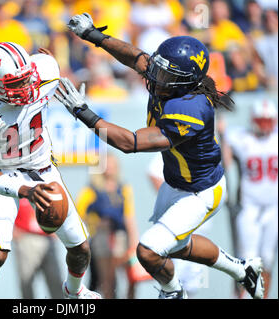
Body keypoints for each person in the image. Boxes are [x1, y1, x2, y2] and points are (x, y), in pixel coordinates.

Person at [54, 12, 265, 299]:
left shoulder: (191, 108)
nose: (155, 75)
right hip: (176, 182)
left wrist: (84, 113)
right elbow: (136, 57)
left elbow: (130, 143)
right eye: (159, 68)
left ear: (184, 82)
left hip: (200, 192)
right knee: (176, 245)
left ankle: (174, 292)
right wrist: (93, 34)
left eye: (166, 73)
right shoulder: (171, 80)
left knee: (149, 251)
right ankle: (242, 270)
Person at [0, 42, 100, 299]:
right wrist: (25, 190)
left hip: (42, 167)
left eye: (27, 79)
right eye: (15, 83)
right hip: (2, 173)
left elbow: (48, 68)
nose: (25, 88)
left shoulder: (44, 73)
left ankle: (74, 292)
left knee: (80, 248)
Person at [221, 99, 278, 299]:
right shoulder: (242, 138)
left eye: (268, 121)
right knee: (246, 258)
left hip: (273, 207)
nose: (264, 125)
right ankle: (242, 296)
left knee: (268, 259)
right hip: (250, 207)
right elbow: (224, 142)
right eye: (261, 120)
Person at [76, 153, 148, 299]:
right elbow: (78, 213)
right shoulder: (91, 190)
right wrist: (96, 222)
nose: (109, 168)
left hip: (120, 236)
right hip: (101, 238)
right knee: (107, 280)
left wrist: (134, 242)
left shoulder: (123, 188)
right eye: (106, 165)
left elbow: (129, 216)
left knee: (132, 276)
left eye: (112, 164)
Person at [147, 152, 213, 298]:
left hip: (200, 225)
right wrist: (174, 200)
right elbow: (153, 172)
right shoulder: (178, 145)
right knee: (176, 278)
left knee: (192, 282)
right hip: (179, 223)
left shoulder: (209, 145)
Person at [12, 198, 63, 299]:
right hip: (26, 237)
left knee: (55, 281)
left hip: (47, 238)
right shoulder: (17, 185)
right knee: (26, 283)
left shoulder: (49, 186)